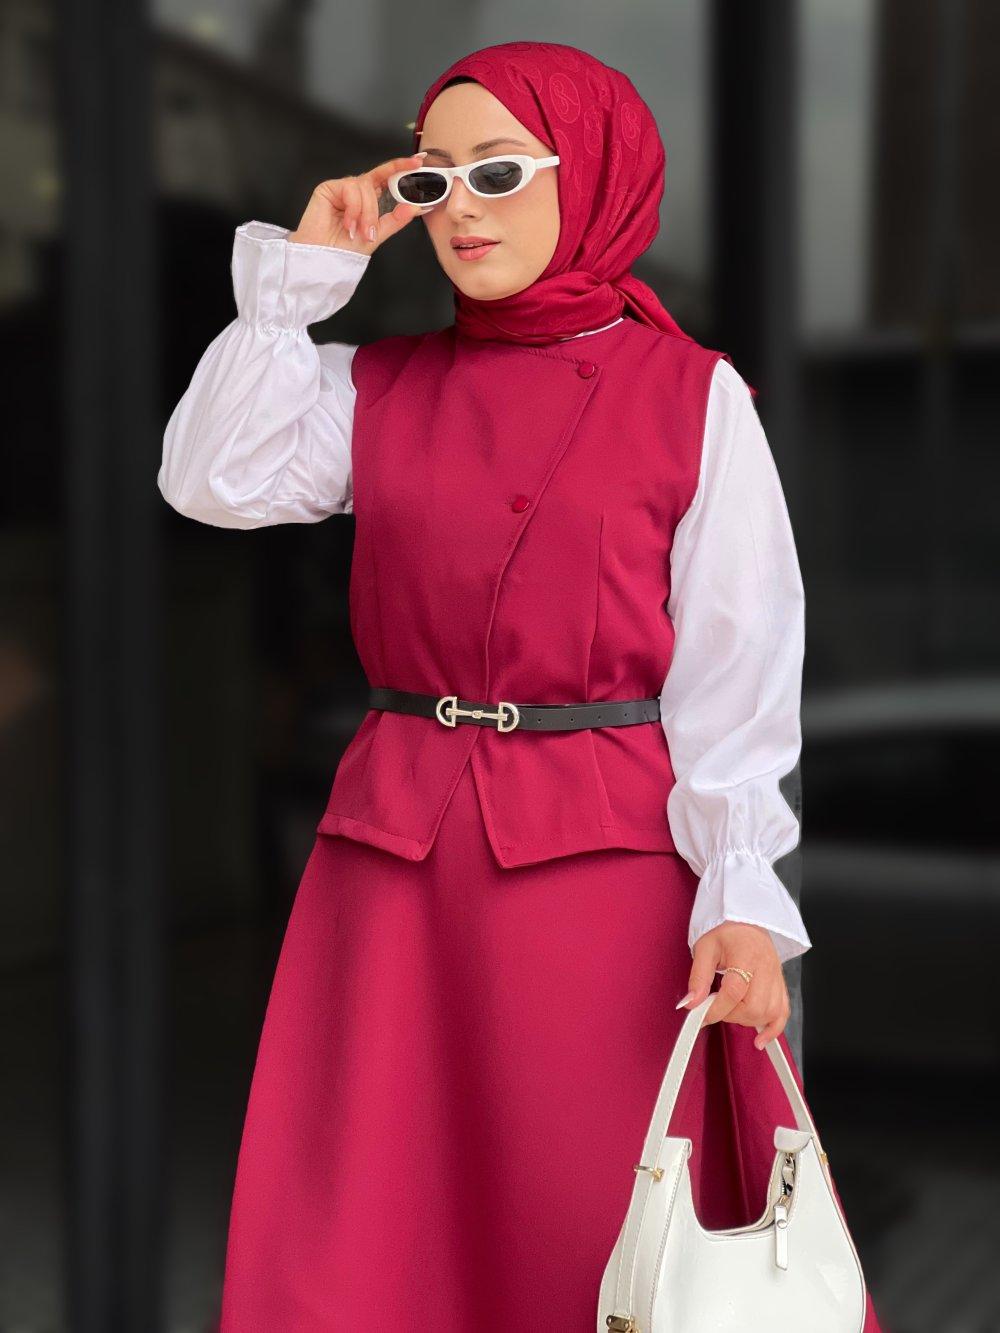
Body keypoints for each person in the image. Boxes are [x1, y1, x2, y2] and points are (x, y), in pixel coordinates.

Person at [160, 40, 883, 1333]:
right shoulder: (375, 386)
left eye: (498, 171)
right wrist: (298, 284)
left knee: (586, 1224)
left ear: (590, 174)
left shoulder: (693, 396)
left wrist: (741, 894)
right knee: (367, 1230)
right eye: (431, 180)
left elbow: (739, 665)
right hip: (392, 867)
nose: (463, 208)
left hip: (603, 877)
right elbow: (210, 478)